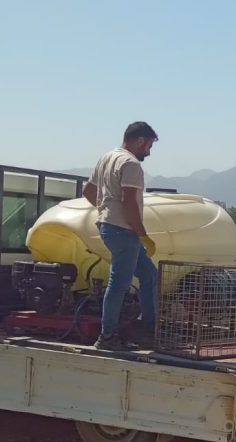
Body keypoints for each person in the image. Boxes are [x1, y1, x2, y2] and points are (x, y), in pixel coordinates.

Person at [83, 122, 159, 351]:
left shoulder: (107, 158)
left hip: (109, 227)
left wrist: (105, 210)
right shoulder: (131, 164)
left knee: (148, 274)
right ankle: (107, 337)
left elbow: (87, 190)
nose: (149, 151)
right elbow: (128, 202)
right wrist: (142, 234)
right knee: (119, 284)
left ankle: (149, 328)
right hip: (124, 231)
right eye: (149, 145)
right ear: (139, 140)